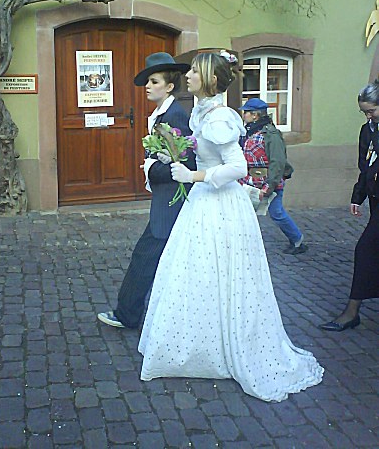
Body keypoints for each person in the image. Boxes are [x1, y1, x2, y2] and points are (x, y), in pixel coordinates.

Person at [138, 51, 323, 402]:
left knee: (220, 273)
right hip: (203, 202)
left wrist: (195, 174)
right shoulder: (204, 111)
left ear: (208, 78)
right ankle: (199, 342)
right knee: (198, 274)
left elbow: (237, 168)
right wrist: (174, 153)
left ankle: (226, 344)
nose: (188, 76)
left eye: (194, 71)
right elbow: (206, 149)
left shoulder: (221, 116)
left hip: (220, 204)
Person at [98, 52, 194, 328]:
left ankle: (127, 314)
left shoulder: (174, 116)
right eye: (148, 81)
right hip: (165, 201)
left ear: (170, 86)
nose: (148, 87)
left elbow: (186, 163)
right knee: (159, 258)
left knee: (146, 255)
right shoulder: (161, 114)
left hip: (172, 203)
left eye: (154, 81)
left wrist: (151, 168)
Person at [320, 80, 379, 332]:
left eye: (372, 110)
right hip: (376, 201)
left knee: (364, 250)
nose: (368, 116)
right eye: (364, 112)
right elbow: (364, 166)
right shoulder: (368, 130)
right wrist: (358, 196)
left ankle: (352, 311)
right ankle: (352, 313)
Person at [239, 99, 307, 255]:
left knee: (276, 213)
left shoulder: (271, 134)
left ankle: (297, 241)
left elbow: (278, 161)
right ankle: (246, 244)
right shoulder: (249, 131)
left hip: (268, 181)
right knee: (246, 212)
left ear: (255, 115)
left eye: (246, 112)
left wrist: (269, 186)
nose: (244, 115)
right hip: (250, 181)